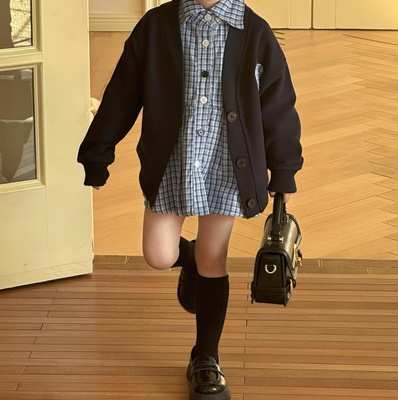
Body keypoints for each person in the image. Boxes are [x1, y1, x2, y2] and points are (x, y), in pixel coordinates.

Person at [78, 0, 303, 399]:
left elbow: (278, 106)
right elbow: (122, 93)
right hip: (173, 162)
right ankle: (193, 259)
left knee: (214, 260)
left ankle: (206, 358)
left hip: (228, 165)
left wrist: (283, 169)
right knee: (159, 254)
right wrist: (98, 152)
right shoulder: (156, 26)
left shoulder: (255, 32)